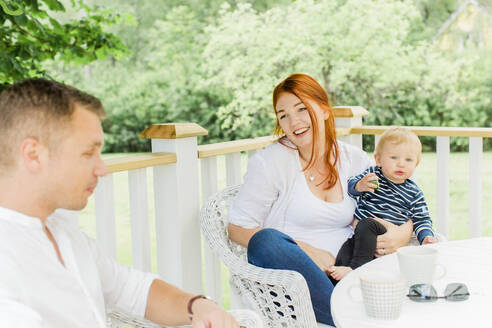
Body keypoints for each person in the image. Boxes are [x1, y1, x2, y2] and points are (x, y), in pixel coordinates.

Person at [0, 78, 239, 328]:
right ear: (33, 155)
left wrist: (198, 306)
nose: (102, 169)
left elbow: (134, 290)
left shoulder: (63, 231)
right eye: (88, 153)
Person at [227, 73, 414, 326]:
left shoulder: (354, 160)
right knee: (265, 240)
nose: (294, 122)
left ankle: (352, 313)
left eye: (302, 109)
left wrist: (403, 233)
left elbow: (399, 200)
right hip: (297, 282)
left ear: (325, 110)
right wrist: (306, 249)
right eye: (283, 115)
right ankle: (349, 316)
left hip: (351, 270)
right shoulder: (271, 162)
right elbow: (237, 228)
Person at [328, 127, 437, 281]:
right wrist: (360, 185)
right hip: (362, 238)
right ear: (378, 160)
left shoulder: (414, 192)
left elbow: (422, 219)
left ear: (416, 164)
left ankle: (356, 269)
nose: (401, 164)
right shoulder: (373, 176)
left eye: (408, 160)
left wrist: (426, 237)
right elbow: (350, 187)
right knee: (346, 250)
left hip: (383, 233)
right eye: (394, 157)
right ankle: (343, 280)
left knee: (367, 224)